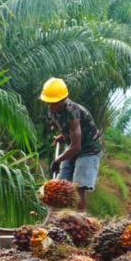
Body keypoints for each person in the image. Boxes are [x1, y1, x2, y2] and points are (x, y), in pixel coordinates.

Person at [41, 77, 103, 211]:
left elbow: (76, 146)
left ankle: (81, 223)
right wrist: (63, 137)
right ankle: (57, 223)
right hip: (73, 148)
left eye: (53, 103)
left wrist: (58, 160)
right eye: (48, 102)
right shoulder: (53, 111)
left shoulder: (72, 111)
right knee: (60, 188)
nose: (50, 106)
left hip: (88, 150)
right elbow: (69, 130)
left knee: (78, 187)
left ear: (62, 100)